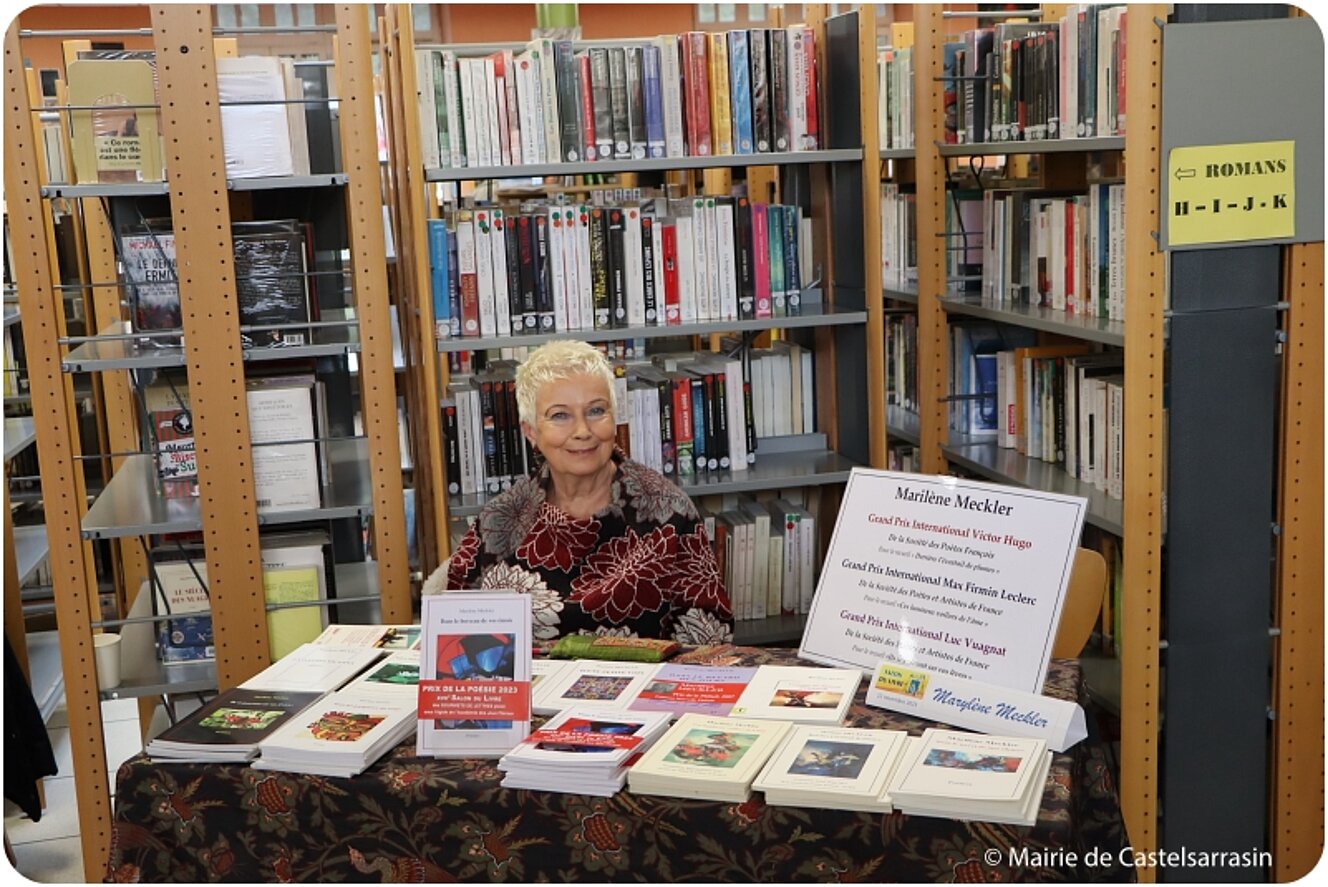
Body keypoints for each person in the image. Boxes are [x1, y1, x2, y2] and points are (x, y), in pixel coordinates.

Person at [423, 340, 733, 644]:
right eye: (560, 415)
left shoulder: (668, 512)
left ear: (615, 418)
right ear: (531, 432)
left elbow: (710, 638)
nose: (582, 431)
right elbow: (455, 634)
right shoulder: (501, 520)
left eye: (596, 411)